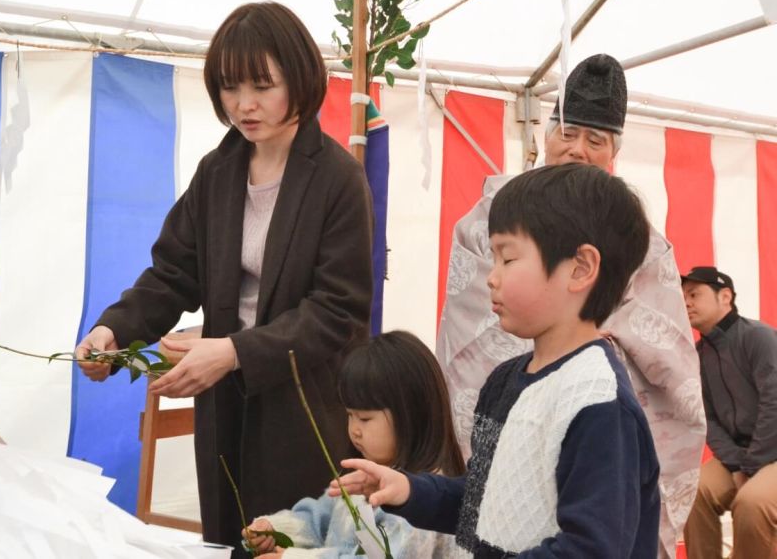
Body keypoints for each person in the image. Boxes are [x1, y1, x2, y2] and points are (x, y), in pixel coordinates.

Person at [74, 2, 375, 553]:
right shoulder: (218, 172)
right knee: (228, 538)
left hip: (303, 405)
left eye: (262, 85)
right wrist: (114, 331)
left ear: (300, 79)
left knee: (289, 541)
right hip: (223, 398)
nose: (244, 104)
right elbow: (172, 275)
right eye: (230, 87)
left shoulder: (337, 178)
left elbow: (337, 312)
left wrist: (233, 350)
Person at [437, 53, 705, 556]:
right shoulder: (491, 216)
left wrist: (576, 352)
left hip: (592, 426)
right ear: (545, 134)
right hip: (512, 403)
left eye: (595, 140)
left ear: (613, 154)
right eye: (568, 132)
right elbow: (471, 330)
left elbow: (669, 363)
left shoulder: (642, 242)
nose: (577, 149)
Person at [334, 163, 661, 557]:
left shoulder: (599, 403)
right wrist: (408, 489)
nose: (491, 276)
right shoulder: (505, 381)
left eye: (507, 258)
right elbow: (479, 502)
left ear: (580, 269)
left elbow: (591, 549)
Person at [242, 330, 464, 558]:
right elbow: (319, 518)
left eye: (365, 418)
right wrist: (273, 528)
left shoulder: (420, 501)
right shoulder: (364, 479)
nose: (354, 430)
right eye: (350, 415)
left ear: (412, 413)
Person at [680, 266, 777, 559]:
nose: (686, 302)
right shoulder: (699, 354)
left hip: (771, 453)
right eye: (683, 295)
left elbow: (774, 405)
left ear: (725, 297)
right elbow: (705, 417)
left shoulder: (760, 337)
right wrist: (736, 465)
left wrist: (749, 467)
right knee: (692, 492)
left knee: (752, 502)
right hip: (742, 457)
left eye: (694, 294)